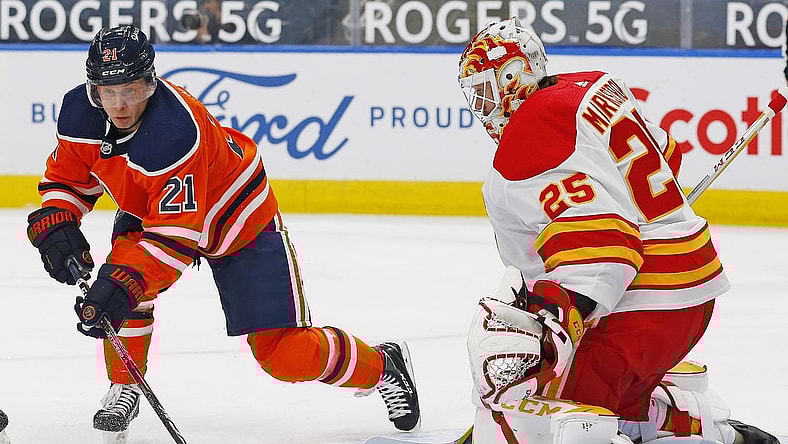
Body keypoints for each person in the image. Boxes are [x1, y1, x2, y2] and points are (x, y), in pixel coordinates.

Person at [25, 25, 420, 435]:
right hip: (153, 208)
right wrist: (59, 219)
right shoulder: (79, 112)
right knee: (122, 283)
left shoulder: (175, 133)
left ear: (151, 82)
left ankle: (382, 364)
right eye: (109, 91)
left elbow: (176, 238)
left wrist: (125, 283)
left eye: (134, 89)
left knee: (284, 356)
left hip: (237, 219)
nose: (121, 104)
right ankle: (125, 383)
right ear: (93, 90)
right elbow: (70, 179)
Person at [458, 17, 779, 444]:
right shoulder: (596, 86)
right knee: (616, 403)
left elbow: (605, 248)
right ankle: (709, 430)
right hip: (693, 291)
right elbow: (667, 153)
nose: (482, 107)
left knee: (549, 412)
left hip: (644, 305)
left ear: (514, 77)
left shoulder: (525, 140)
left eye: (485, 91)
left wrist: (562, 316)